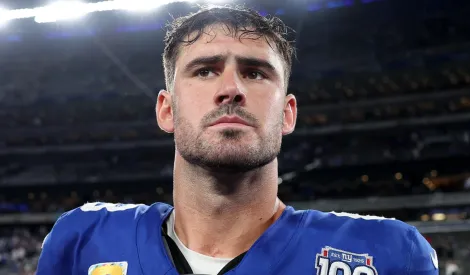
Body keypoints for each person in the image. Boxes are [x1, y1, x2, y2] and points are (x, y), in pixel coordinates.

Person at [37, 6, 438, 275]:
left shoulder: (387, 254)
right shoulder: (82, 241)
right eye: (205, 71)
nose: (230, 89)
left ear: (287, 113)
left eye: (256, 72)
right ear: (166, 110)